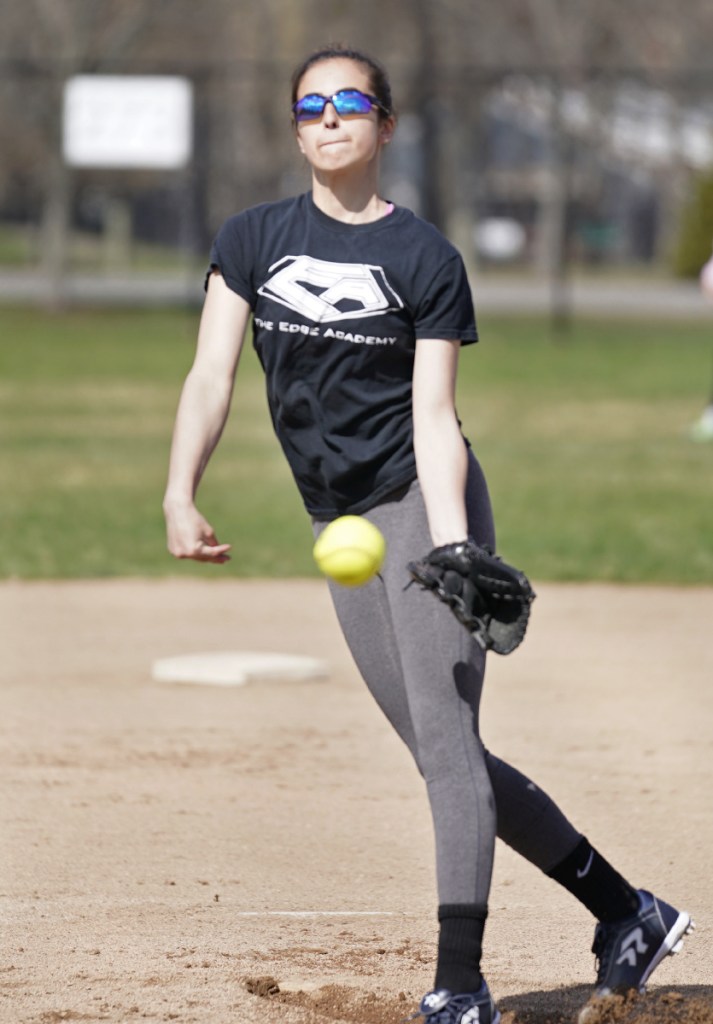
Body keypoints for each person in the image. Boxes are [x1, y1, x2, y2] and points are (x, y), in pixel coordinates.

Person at [162, 45, 694, 1024]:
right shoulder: (250, 239)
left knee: (447, 752)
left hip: (416, 502)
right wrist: (176, 489)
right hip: (338, 520)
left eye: (349, 102)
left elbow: (434, 415)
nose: (328, 117)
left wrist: (451, 545)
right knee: (440, 750)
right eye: (309, 104)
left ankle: (459, 985)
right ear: (294, 126)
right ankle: (627, 911)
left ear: (385, 124)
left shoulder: (422, 259)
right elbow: (209, 376)